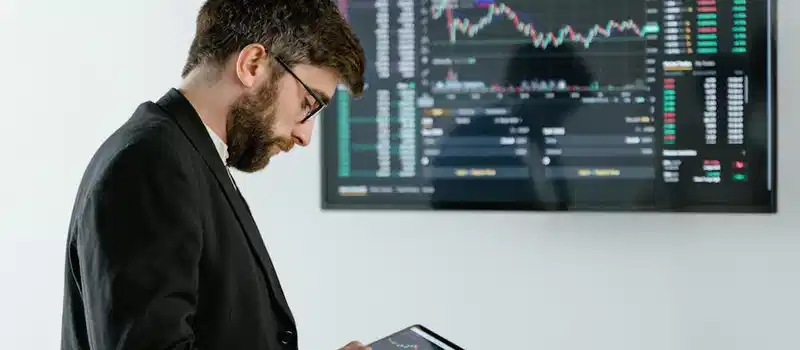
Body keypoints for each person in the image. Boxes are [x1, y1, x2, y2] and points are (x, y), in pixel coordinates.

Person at [59, 1, 369, 349]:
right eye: (308, 104)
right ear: (253, 64)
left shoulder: (182, 157)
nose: (305, 136)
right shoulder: (150, 164)